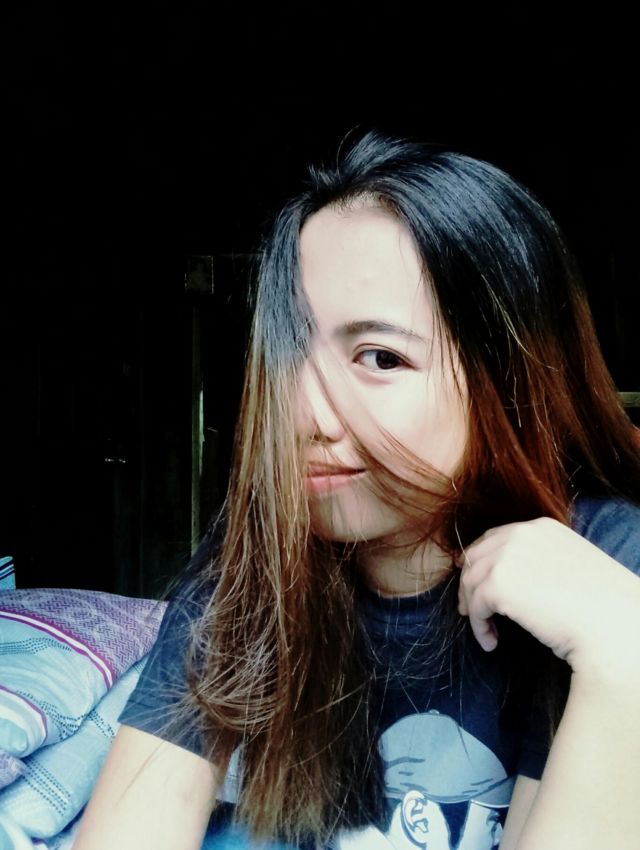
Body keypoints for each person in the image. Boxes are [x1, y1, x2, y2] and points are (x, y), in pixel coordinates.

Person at [75, 131, 640, 850]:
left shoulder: (601, 559)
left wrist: (624, 654)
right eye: (288, 356)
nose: (303, 416)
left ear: (508, 378)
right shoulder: (261, 553)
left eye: (379, 357)